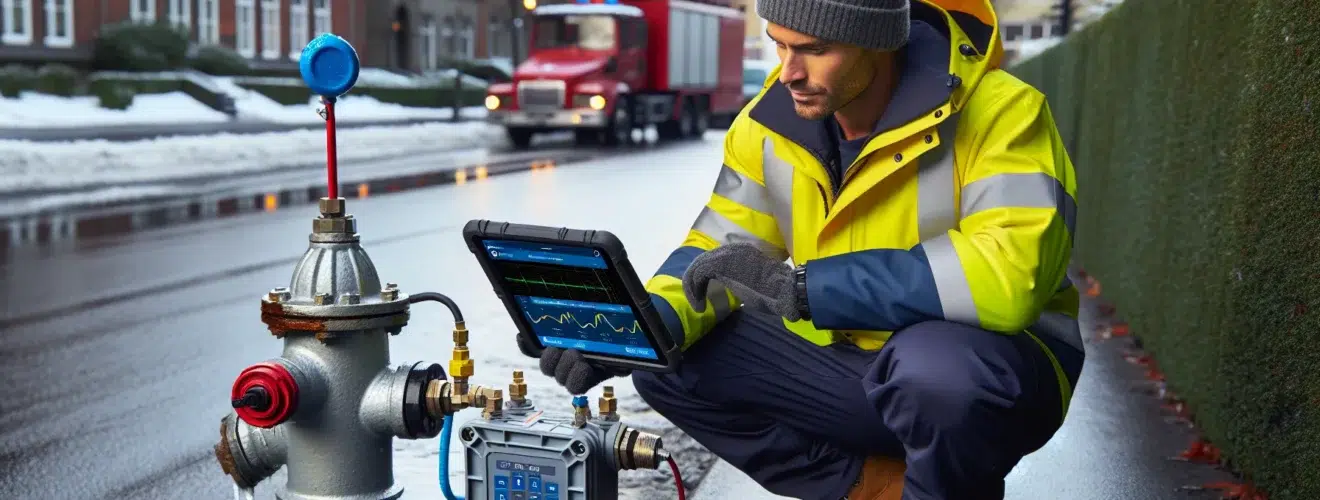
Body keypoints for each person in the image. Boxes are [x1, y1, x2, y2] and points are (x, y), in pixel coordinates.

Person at [537, 0, 1085, 498]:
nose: (788, 71)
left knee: (933, 375)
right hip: (854, 369)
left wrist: (807, 288)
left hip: (995, 379)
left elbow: (1012, 274)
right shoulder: (767, 125)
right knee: (666, 361)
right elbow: (719, 247)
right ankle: (879, 489)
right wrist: (638, 327)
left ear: (879, 42)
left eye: (814, 50)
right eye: (779, 43)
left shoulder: (1004, 113)